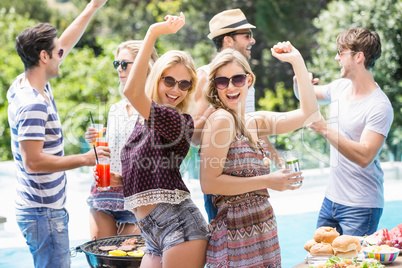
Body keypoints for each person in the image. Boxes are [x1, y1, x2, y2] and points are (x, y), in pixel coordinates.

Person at [6, 1, 109, 267]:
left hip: (41, 210)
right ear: (43, 56)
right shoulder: (33, 104)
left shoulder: (25, 81)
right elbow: (34, 162)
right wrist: (87, 159)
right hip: (43, 213)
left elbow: (66, 41)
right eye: (57, 51)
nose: (62, 53)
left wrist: (92, 7)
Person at [199, 43, 321, 267]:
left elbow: (309, 115)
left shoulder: (252, 121)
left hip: (262, 231)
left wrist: (297, 62)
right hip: (236, 237)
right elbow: (209, 183)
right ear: (214, 86)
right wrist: (268, 181)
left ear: (249, 80)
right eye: (221, 81)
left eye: (237, 79)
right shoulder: (221, 120)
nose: (230, 87)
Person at [110, 13, 209, 268]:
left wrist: (153, 32)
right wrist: (120, 178)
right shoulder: (143, 122)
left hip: (179, 227)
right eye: (169, 80)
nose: (176, 90)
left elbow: (131, 91)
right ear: (157, 79)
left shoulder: (176, 119)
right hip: (151, 231)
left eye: (185, 84)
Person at [299, 28, 394, 236]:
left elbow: (365, 156)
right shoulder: (340, 87)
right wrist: (300, 81)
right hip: (331, 200)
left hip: (361, 206)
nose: (336, 58)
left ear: (358, 57)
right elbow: (305, 95)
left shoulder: (379, 106)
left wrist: (324, 128)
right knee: (318, 260)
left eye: (341, 53)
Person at [193, 8, 284, 222]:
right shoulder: (206, 76)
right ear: (228, 41)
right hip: (223, 183)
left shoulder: (243, 78)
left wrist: (273, 154)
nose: (252, 40)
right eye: (247, 35)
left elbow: (250, 124)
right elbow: (195, 137)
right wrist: (218, 100)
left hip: (252, 176)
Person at [85, 41, 158, 239]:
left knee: (128, 261)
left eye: (125, 64)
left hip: (136, 200)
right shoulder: (115, 109)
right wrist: (94, 142)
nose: (119, 69)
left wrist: (123, 179)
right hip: (104, 194)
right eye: (116, 63)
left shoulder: (155, 109)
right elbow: (112, 153)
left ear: (144, 65)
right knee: (103, 260)